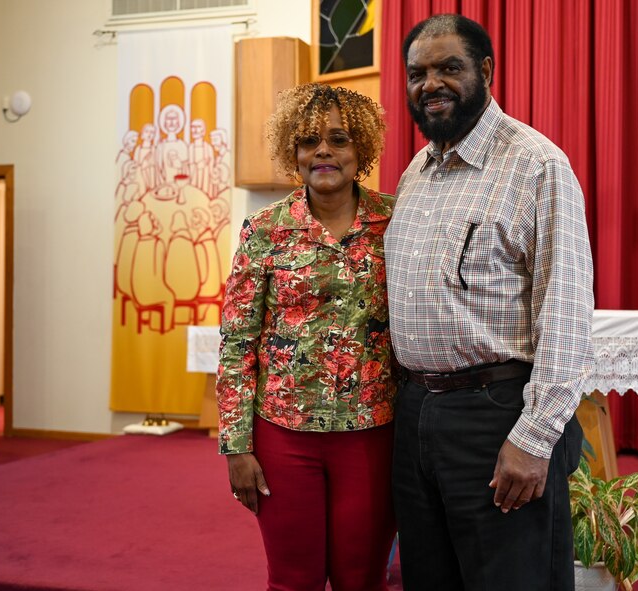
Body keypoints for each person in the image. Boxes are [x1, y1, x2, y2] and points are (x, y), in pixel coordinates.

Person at [384, 14, 595, 591]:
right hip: (417, 414)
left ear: (486, 70)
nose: (431, 84)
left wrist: (534, 437)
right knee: (430, 578)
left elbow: (568, 312)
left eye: (449, 68)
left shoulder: (536, 165)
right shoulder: (415, 172)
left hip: (495, 413)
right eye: (417, 73)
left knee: (512, 579)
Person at [216, 83, 396, 591]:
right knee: (293, 580)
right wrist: (235, 447)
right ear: (291, 152)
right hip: (283, 437)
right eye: (307, 140)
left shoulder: (395, 220)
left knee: (362, 579)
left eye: (338, 139)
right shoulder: (264, 230)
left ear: (360, 150)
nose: (322, 150)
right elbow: (236, 344)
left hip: (372, 434)